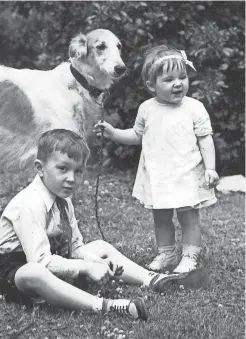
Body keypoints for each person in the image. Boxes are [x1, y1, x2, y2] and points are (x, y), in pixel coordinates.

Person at [0, 129, 191, 321]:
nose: (71, 179)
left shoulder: (63, 200)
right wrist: (85, 266)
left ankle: (153, 279)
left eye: (78, 171)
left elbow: (76, 247)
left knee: (100, 247)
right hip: (19, 272)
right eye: (62, 169)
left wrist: (95, 261)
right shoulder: (30, 204)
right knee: (34, 273)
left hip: (56, 257)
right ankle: (105, 306)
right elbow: (40, 262)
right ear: (40, 168)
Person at [94, 46, 219, 274]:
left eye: (182, 77)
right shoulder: (147, 109)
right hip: (158, 176)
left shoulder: (194, 108)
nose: (178, 83)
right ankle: (167, 253)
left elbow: (205, 140)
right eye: (168, 79)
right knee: (161, 219)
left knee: (188, 218)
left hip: (187, 174)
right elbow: (136, 135)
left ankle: (190, 257)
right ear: (152, 85)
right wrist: (114, 133)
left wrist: (210, 168)